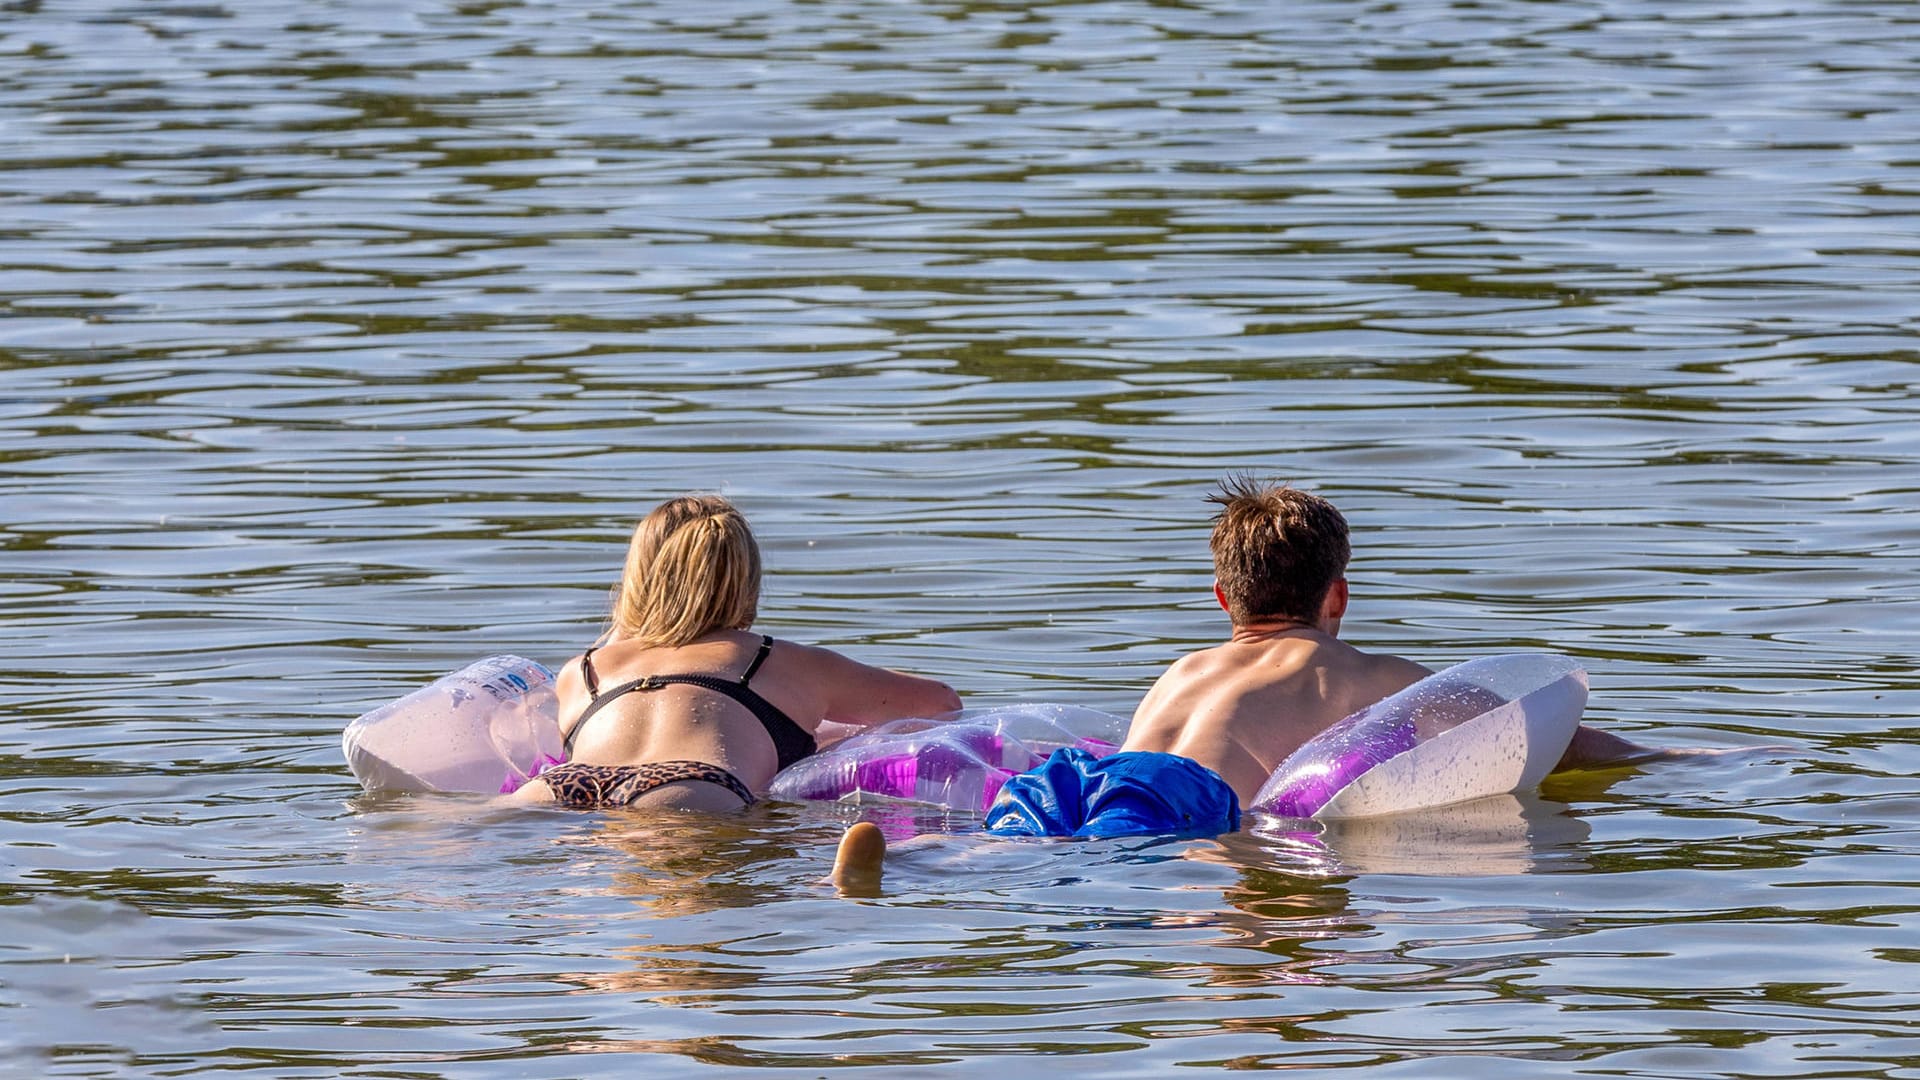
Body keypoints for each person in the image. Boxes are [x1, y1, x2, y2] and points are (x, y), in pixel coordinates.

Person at [982, 476, 1652, 839]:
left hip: (1077, 781)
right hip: (1180, 809)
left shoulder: (1184, 669)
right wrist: (1676, 760)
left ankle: (917, 859)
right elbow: (1532, 733)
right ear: (1339, 595)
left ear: (1223, 597)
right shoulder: (1361, 672)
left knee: (999, 851)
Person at [509, 494, 962, 812]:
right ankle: (836, 881)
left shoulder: (584, 670)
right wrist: (824, 744)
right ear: (748, 581)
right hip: (693, 786)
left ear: (638, 577)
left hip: (561, 788)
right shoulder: (785, 662)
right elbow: (940, 703)